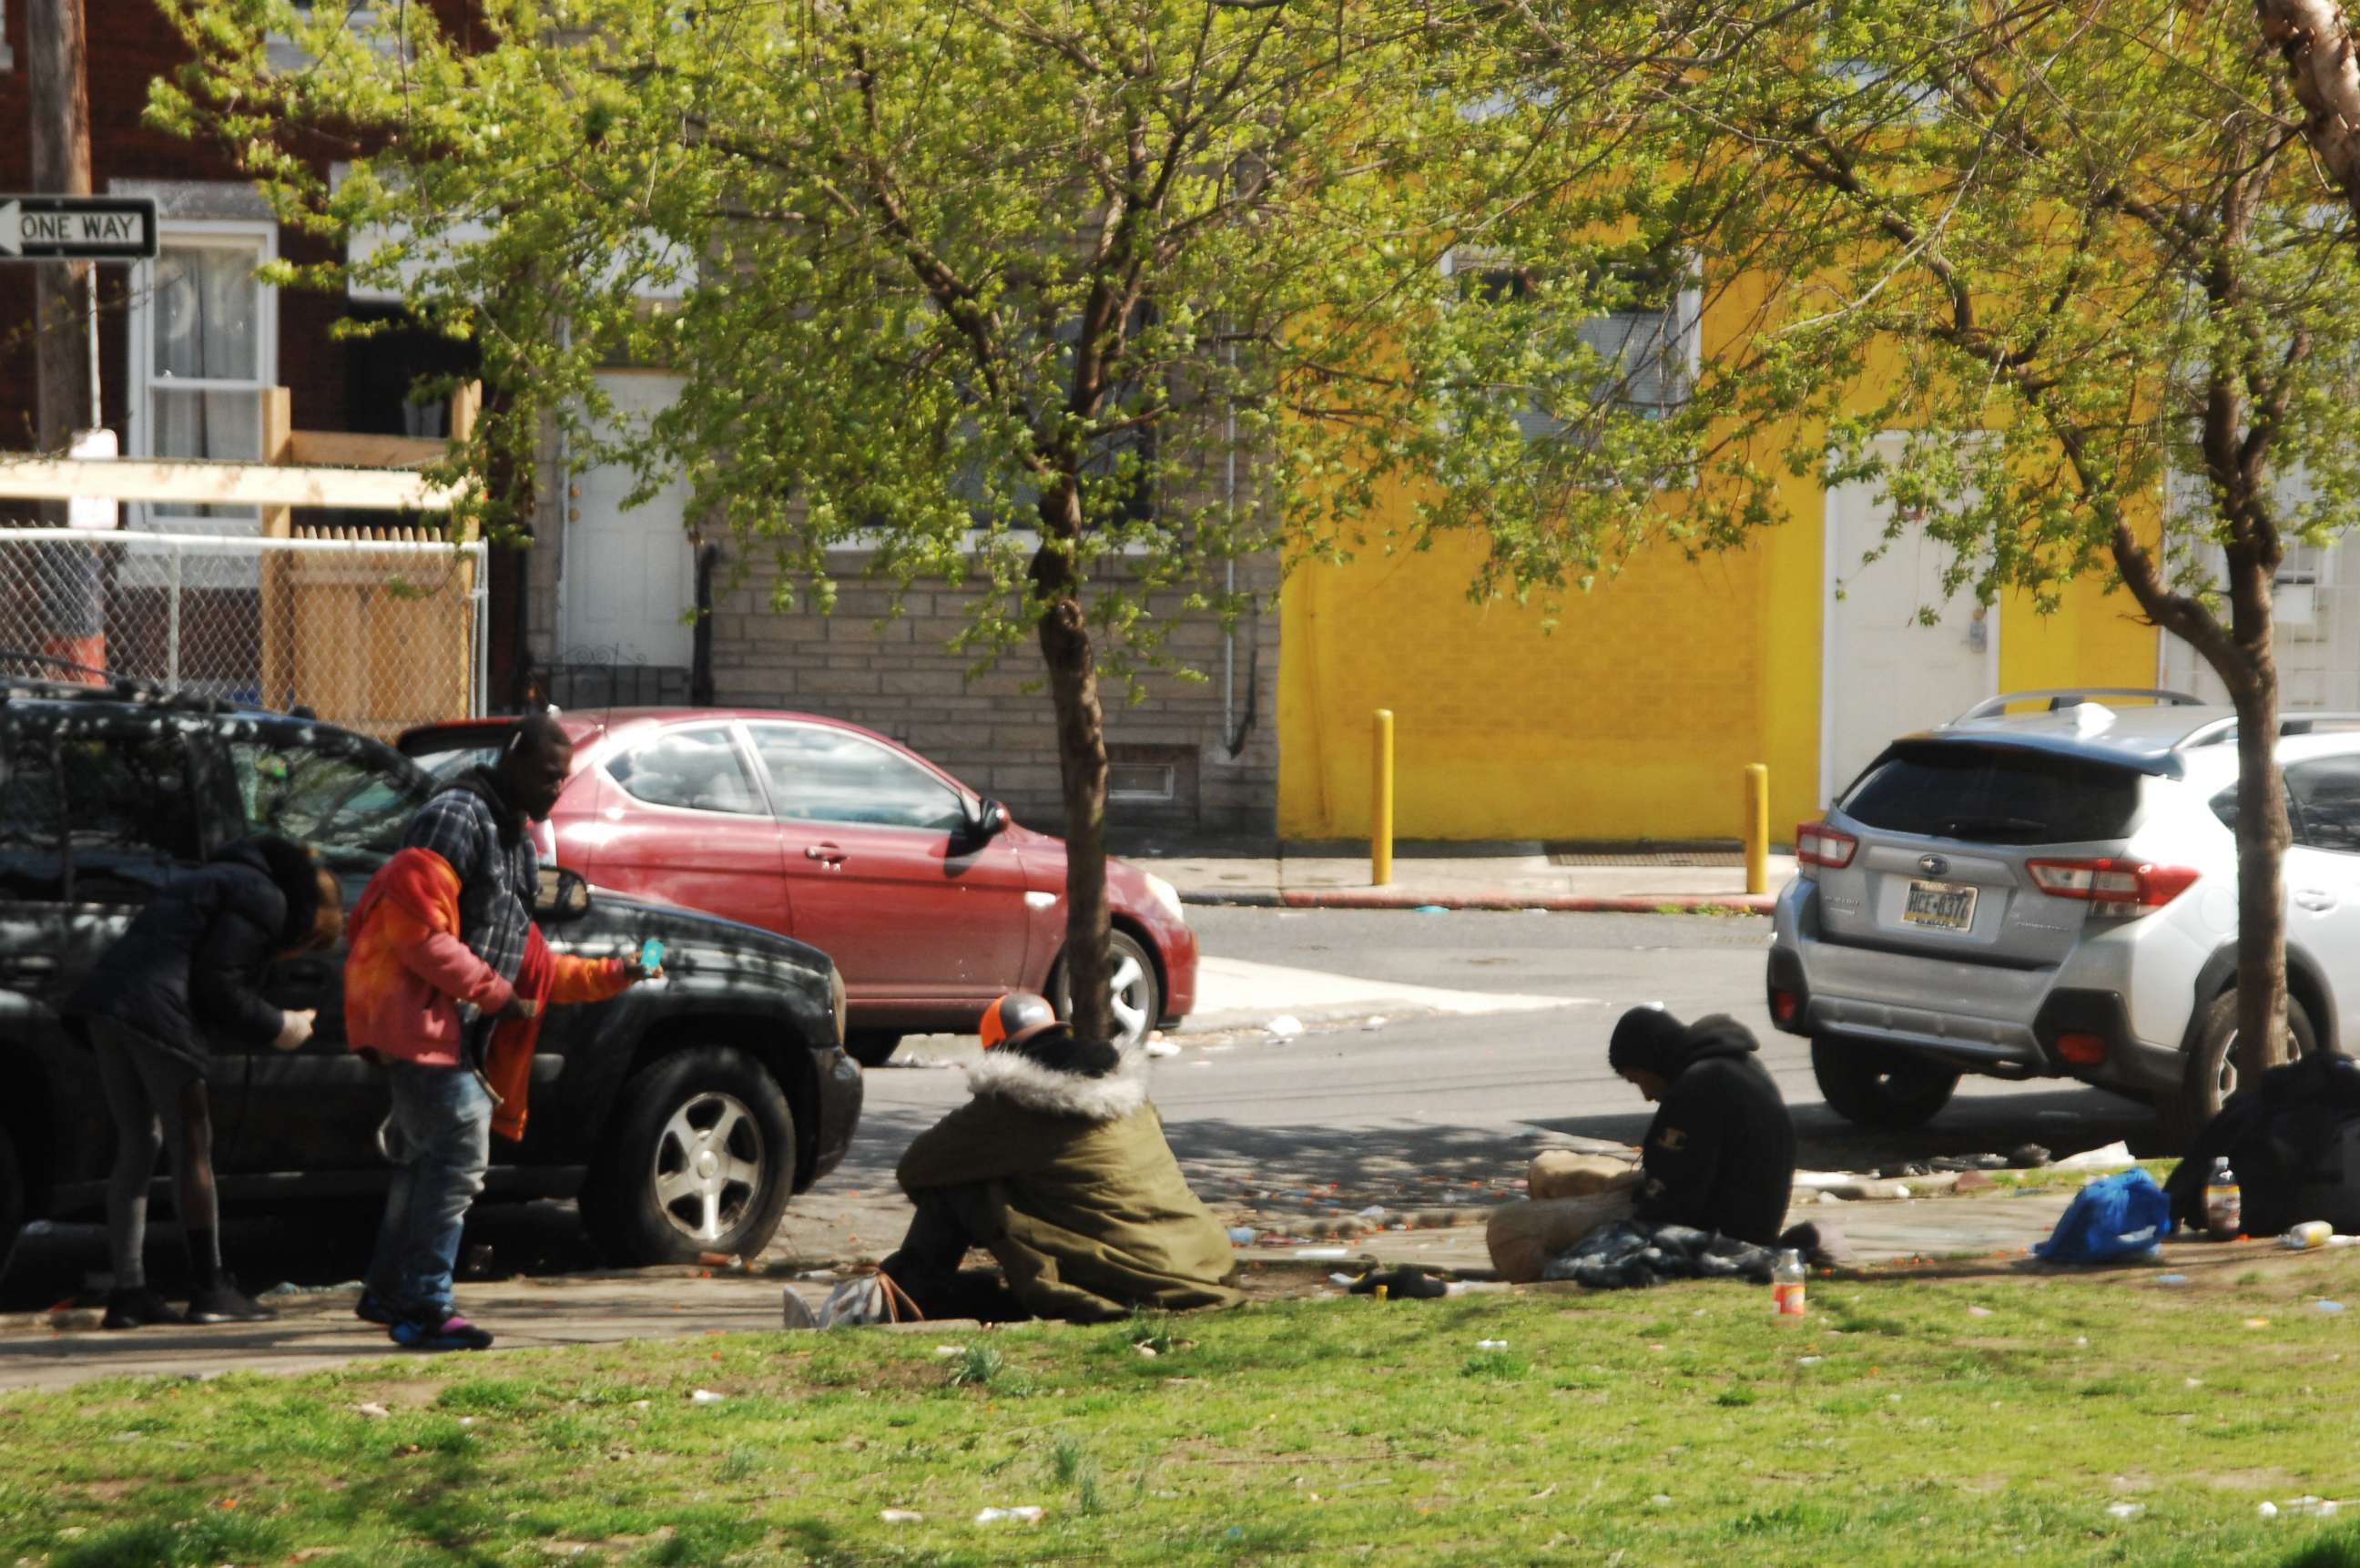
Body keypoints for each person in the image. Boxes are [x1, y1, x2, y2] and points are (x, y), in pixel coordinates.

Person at [344, 711, 653, 1352]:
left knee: (420, 1167)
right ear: (512, 758)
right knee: (456, 1163)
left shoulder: (514, 833)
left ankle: (386, 1292)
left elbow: (531, 961)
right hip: (427, 1027)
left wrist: (617, 973)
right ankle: (425, 1307)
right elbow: (416, 932)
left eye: (562, 779)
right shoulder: (458, 815)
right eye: (545, 774)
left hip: (445, 1032)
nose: (554, 790)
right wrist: (495, 993)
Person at [67, 836, 343, 1329]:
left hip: (105, 1008)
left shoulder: (208, 879)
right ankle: (211, 1288)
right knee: (192, 1144)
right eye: (302, 944)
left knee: (137, 1144)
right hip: (155, 1014)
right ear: (305, 915)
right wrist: (285, 1026)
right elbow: (220, 987)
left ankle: (129, 1293)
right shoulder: (265, 898)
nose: (284, 954)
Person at [879, 992, 1243, 1324]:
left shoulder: (1008, 1107)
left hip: (1143, 1281)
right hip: (1201, 1260)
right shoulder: (1132, 1096)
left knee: (960, 1185)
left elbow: (916, 1168)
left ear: (997, 1053)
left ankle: (910, 1291)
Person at [1607, 1004, 1796, 1246]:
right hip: (1757, 1225)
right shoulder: (1739, 1063)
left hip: (1726, 1237)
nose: (1646, 1096)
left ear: (1650, 1058)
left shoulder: (1697, 1086)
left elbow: (1673, 1194)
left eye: (1637, 1080)